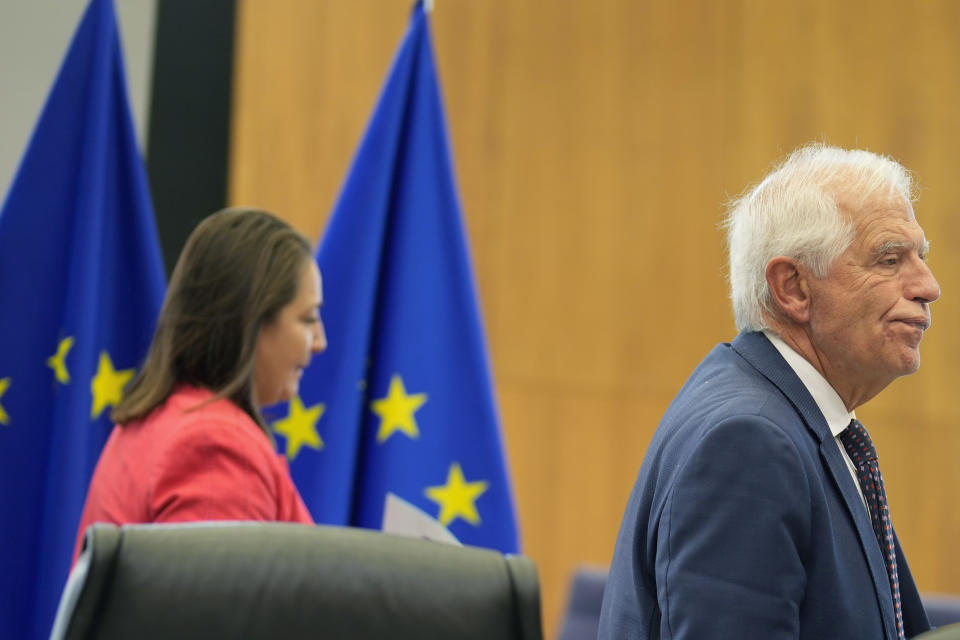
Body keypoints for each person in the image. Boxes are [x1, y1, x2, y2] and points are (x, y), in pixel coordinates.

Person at [598, 144, 938, 639]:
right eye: (889, 260)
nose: (928, 286)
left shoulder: (781, 417)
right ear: (793, 288)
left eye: (920, 257)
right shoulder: (748, 442)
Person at [73, 208, 326, 557]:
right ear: (252, 321)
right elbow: (218, 611)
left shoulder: (162, 419)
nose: (319, 341)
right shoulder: (214, 445)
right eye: (308, 318)